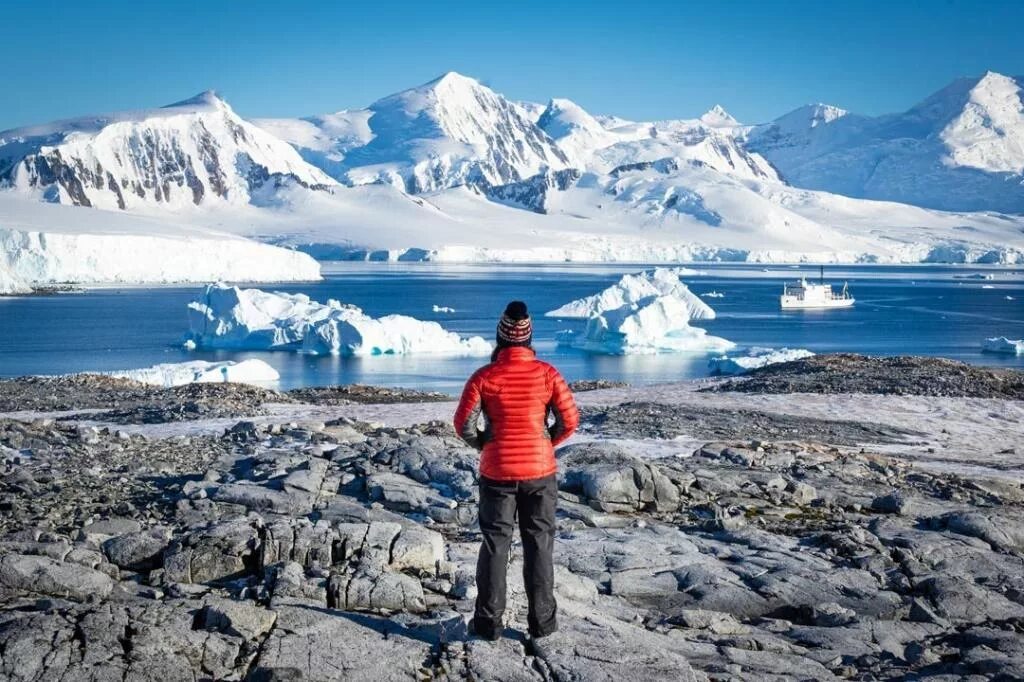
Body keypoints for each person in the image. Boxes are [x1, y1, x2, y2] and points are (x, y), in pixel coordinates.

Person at [453, 301, 579, 641]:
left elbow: (462, 424)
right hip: (540, 472)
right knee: (539, 545)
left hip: (497, 473)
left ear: (500, 337)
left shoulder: (485, 376)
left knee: (495, 544)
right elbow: (570, 421)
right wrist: (544, 443)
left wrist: (485, 444)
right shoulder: (548, 374)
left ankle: (488, 624)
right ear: (528, 339)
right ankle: (542, 624)